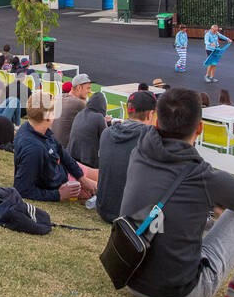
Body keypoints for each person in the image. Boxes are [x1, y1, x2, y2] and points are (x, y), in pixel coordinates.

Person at [119, 88, 234, 297]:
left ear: (157, 122)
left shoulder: (140, 152)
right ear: (199, 128)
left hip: (131, 275)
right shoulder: (203, 175)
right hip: (180, 293)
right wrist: (227, 196)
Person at [13, 91, 97, 203]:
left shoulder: (36, 128)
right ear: (48, 117)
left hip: (61, 170)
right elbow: (22, 189)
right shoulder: (33, 149)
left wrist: (82, 178)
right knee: (104, 189)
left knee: (103, 175)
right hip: (61, 181)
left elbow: (61, 152)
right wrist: (58, 195)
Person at [95, 90, 158, 223]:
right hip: (130, 216)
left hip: (104, 209)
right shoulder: (150, 138)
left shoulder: (107, 133)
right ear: (151, 114)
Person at [66, 89, 108, 169]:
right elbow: (106, 139)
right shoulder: (98, 117)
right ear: (103, 105)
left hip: (72, 155)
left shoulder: (80, 113)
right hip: (88, 160)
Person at [52, 72, 92, 147]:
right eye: (88, 88)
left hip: (52, 144)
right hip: (66, 150)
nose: (90, 91)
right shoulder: (79, 103)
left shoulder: (59, 97)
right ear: (79, 88)